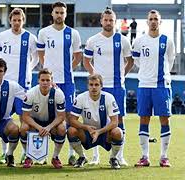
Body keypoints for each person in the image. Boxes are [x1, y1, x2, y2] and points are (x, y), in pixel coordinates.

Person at [83, 8, 133, 166]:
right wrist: (94, 76)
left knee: (119, 120)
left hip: (117, 86)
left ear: (115, 21)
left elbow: (129, 61)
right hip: (99, 87)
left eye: (111, 20)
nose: (108, 22)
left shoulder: (123, 40)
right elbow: (86, 60)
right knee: (96, 120)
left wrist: (122, 75)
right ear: (101, 21)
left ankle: (119, 156)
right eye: (106, 20)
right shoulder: (93, 40)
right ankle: (95, 156)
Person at [37, 1, 83, 165]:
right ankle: (38, 154)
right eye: (56, 12)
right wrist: (48, 72)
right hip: (49, 83)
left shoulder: (73, 33)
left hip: (68, 82)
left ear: (65, 14)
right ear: (52, 14)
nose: (59, 15)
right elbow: (41, 54)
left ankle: (71, 154)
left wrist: (67, 69)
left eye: (62, 13)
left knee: (70, 119)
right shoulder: (43, 33)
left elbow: (78, 57)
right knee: (45, 117)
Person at [132, 10, 175, 167]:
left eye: (156, 19)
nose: (153, 21)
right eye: (151, 19)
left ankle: (164, 156)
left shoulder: (167, 40)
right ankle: (145, 156)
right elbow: (136, 60)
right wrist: (147, 71)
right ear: (147, 22)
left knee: (164, 119)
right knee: (144, 119)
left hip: (162, 85)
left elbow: (170, 60)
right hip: (144, 85)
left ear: (160, 22)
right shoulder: (139, 41)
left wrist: (162, 74)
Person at [0, 8, 38, 164]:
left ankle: (26, 153)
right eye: (14, 20)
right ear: (10, 20)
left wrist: (28, 70)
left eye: (20, 20)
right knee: (4, 118)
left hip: (22, 86)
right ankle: (4, 153)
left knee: (24, 119)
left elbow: (36, 58)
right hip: (5, 84)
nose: (17, 22)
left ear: (23, 21)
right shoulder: (1, 36)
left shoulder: (30, 37)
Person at [68, 74, 123, 169]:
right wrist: (86, 127)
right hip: (87, 132)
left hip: (104, 132)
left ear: (101, 86)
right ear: (87, 86)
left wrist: (99, 131)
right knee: (71, 131)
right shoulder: (81, 98)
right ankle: (82, 157)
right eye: (91, 84)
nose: (93, 87)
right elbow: (72, 120)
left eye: (96, 85)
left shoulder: (109, 98)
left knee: (118, 132)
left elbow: (115, 122)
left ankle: (113, 158)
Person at [20, 68, 66, 169]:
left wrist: (48, 127)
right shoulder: (31, 93)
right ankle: (28, 156)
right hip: (35, 122)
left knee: (62, 128)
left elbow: (61, 116)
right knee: (23, 128)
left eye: (48, 80)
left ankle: (55, 157)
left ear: (52, 81)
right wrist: (40, 128)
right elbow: (25, 116)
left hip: (51, 122)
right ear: (38, 81)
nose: (45, 82)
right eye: (43, 80)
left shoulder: (58, 93)